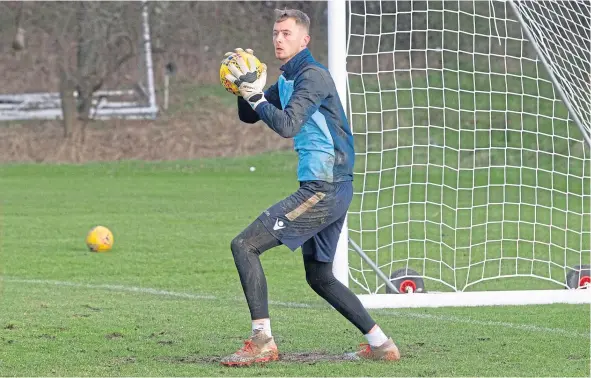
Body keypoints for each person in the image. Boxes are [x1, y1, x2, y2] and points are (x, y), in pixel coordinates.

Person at [220, 8, 400, 366]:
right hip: (328, 187)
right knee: (319, 276)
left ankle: (262, 341)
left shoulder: (312, 76)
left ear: (305, 40)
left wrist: (255, 95)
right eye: (275, 33)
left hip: (324, 188)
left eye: (286, 33)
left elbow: (286, 125)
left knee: (244, 245)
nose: (278, 39)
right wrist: (245, 86)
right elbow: (249, 115)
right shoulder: (287, 79)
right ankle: (381, 344)